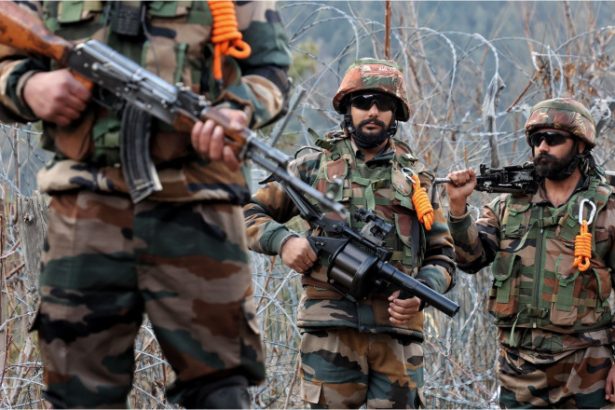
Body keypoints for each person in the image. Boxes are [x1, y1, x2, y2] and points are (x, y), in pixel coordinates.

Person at [0, 1, 290, 408]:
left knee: (220, 390)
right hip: (85, 207)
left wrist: (237, 110)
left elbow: (271, 71)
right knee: (78, 392)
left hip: (199, 208)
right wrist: (28, 87)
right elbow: (6, 57)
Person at [244, 58, 456, 409]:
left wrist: (422, 292)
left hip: (397, 340)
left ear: (395, 113)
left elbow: (443, 255)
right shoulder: (313, 166)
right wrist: (284, 241)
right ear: (347, 108)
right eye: (362, 102)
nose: (372, 111)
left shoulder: (416, 179)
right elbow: (246, 212)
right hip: (331, 335)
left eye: (383, 104)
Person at [445, 97, 615, 408]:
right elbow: (470, 259)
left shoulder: (605, 209)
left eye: (553, 139)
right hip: (520, 370)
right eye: (537, 140)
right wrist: (458, 210)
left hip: (588, 368)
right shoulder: (506, 207)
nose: (543, 147)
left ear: (580, 145)